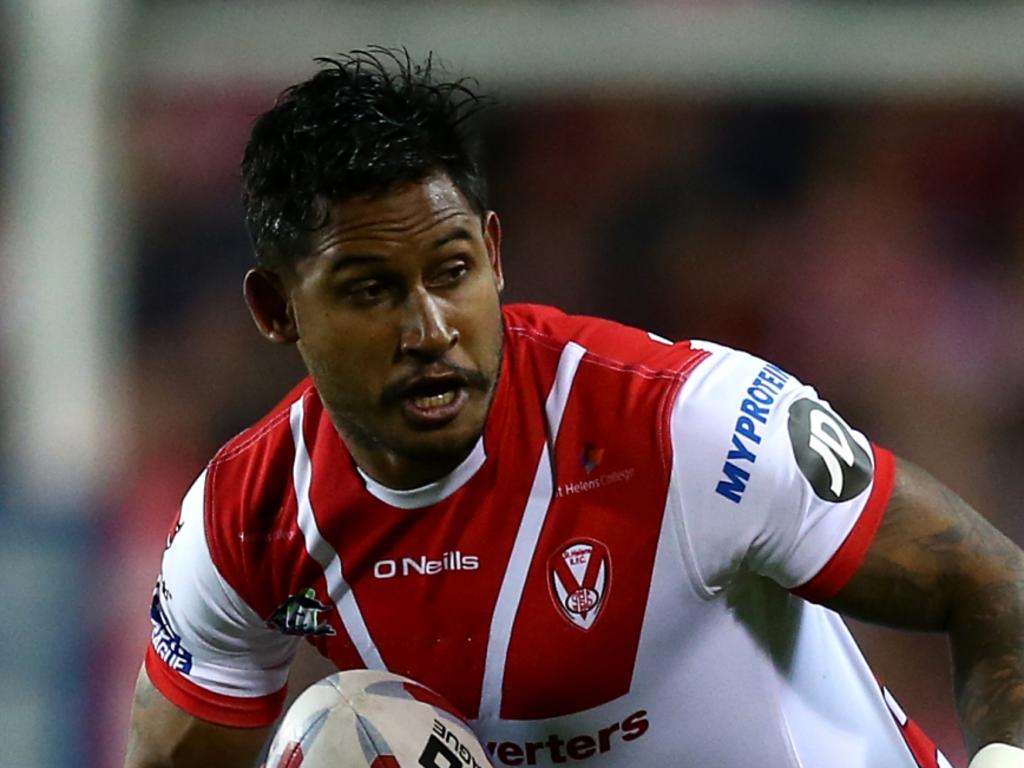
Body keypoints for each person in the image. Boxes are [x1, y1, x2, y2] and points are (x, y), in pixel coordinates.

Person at [124, 48, 1024, 768]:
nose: (430, 328)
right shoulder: (247, 522)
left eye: (451, 272)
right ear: (278, 311)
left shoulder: (687, 426)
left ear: (495, 254)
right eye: (371, 291)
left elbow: (990, 584)